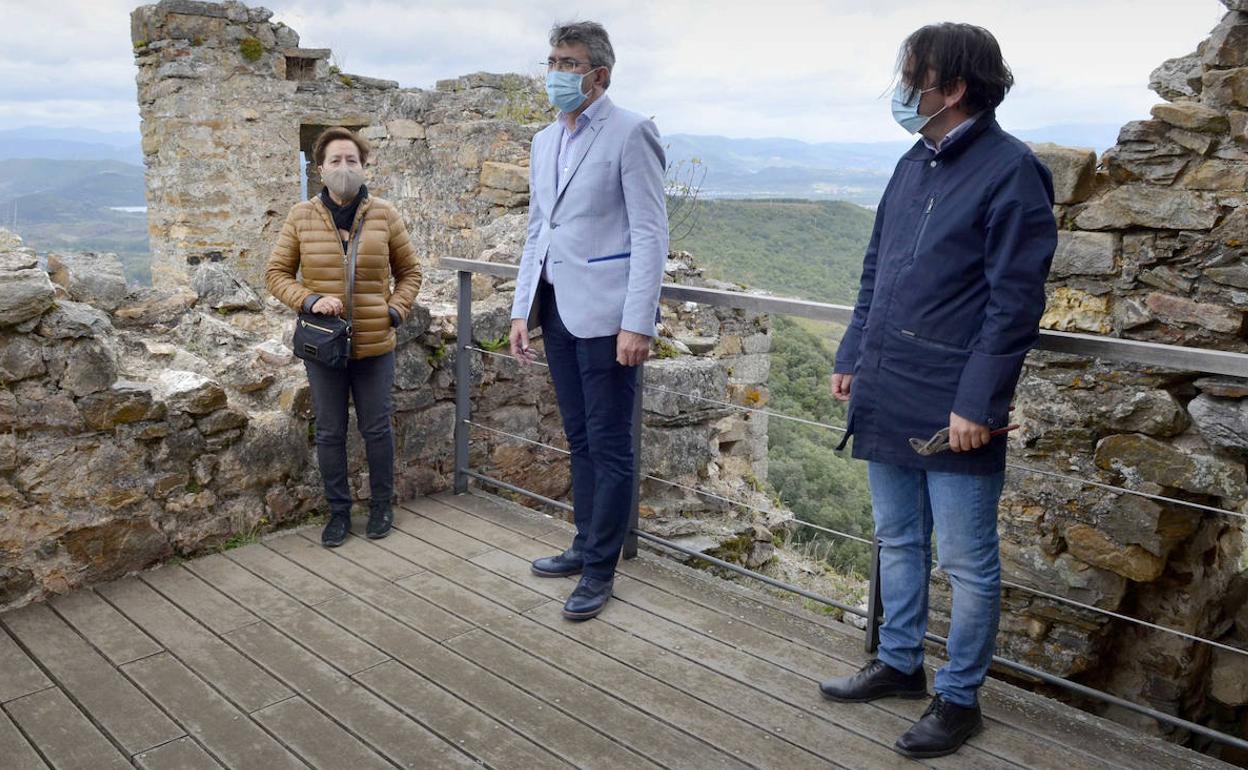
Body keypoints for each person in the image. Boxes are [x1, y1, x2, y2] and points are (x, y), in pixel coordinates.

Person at [818, 23, 1057, 759]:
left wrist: (977, 404)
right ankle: (898, 663)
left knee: (966, 560)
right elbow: (875, 271)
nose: (901, 88)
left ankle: (959, 699)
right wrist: (853, 352)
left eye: (911, 76)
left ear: (953, 88)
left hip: (956, 400)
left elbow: (1012, 303)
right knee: (896, 536)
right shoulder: (911, 162)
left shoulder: (1013, 171)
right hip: (888, 382)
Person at [509, 21, 668, 621]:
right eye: (552, 59)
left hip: (607, 316)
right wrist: (522, 307)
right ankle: (583, 543)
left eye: (569, 63)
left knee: (610, 443)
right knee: (578, 438)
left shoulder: (632, 133)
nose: (556, 72)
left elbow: (651, 234)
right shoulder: (544, 140)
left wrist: (639, 322)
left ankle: (601, 568)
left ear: (599, 74)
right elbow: (537, 230)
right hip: (556, 307)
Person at [265, 127, 422, 548]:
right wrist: (310, 299)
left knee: (376, 429)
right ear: (319, 169)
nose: (343, 168)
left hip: (375, 344)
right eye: (335, 160)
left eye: (351, 160)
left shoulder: (385, 214)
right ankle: (338, 512)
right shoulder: (301, 216)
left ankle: (382, 505)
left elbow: (410, 272)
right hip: (324, 346)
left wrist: (395, 311)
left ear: (363, 165)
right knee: (331, 431)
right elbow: (275, 275)